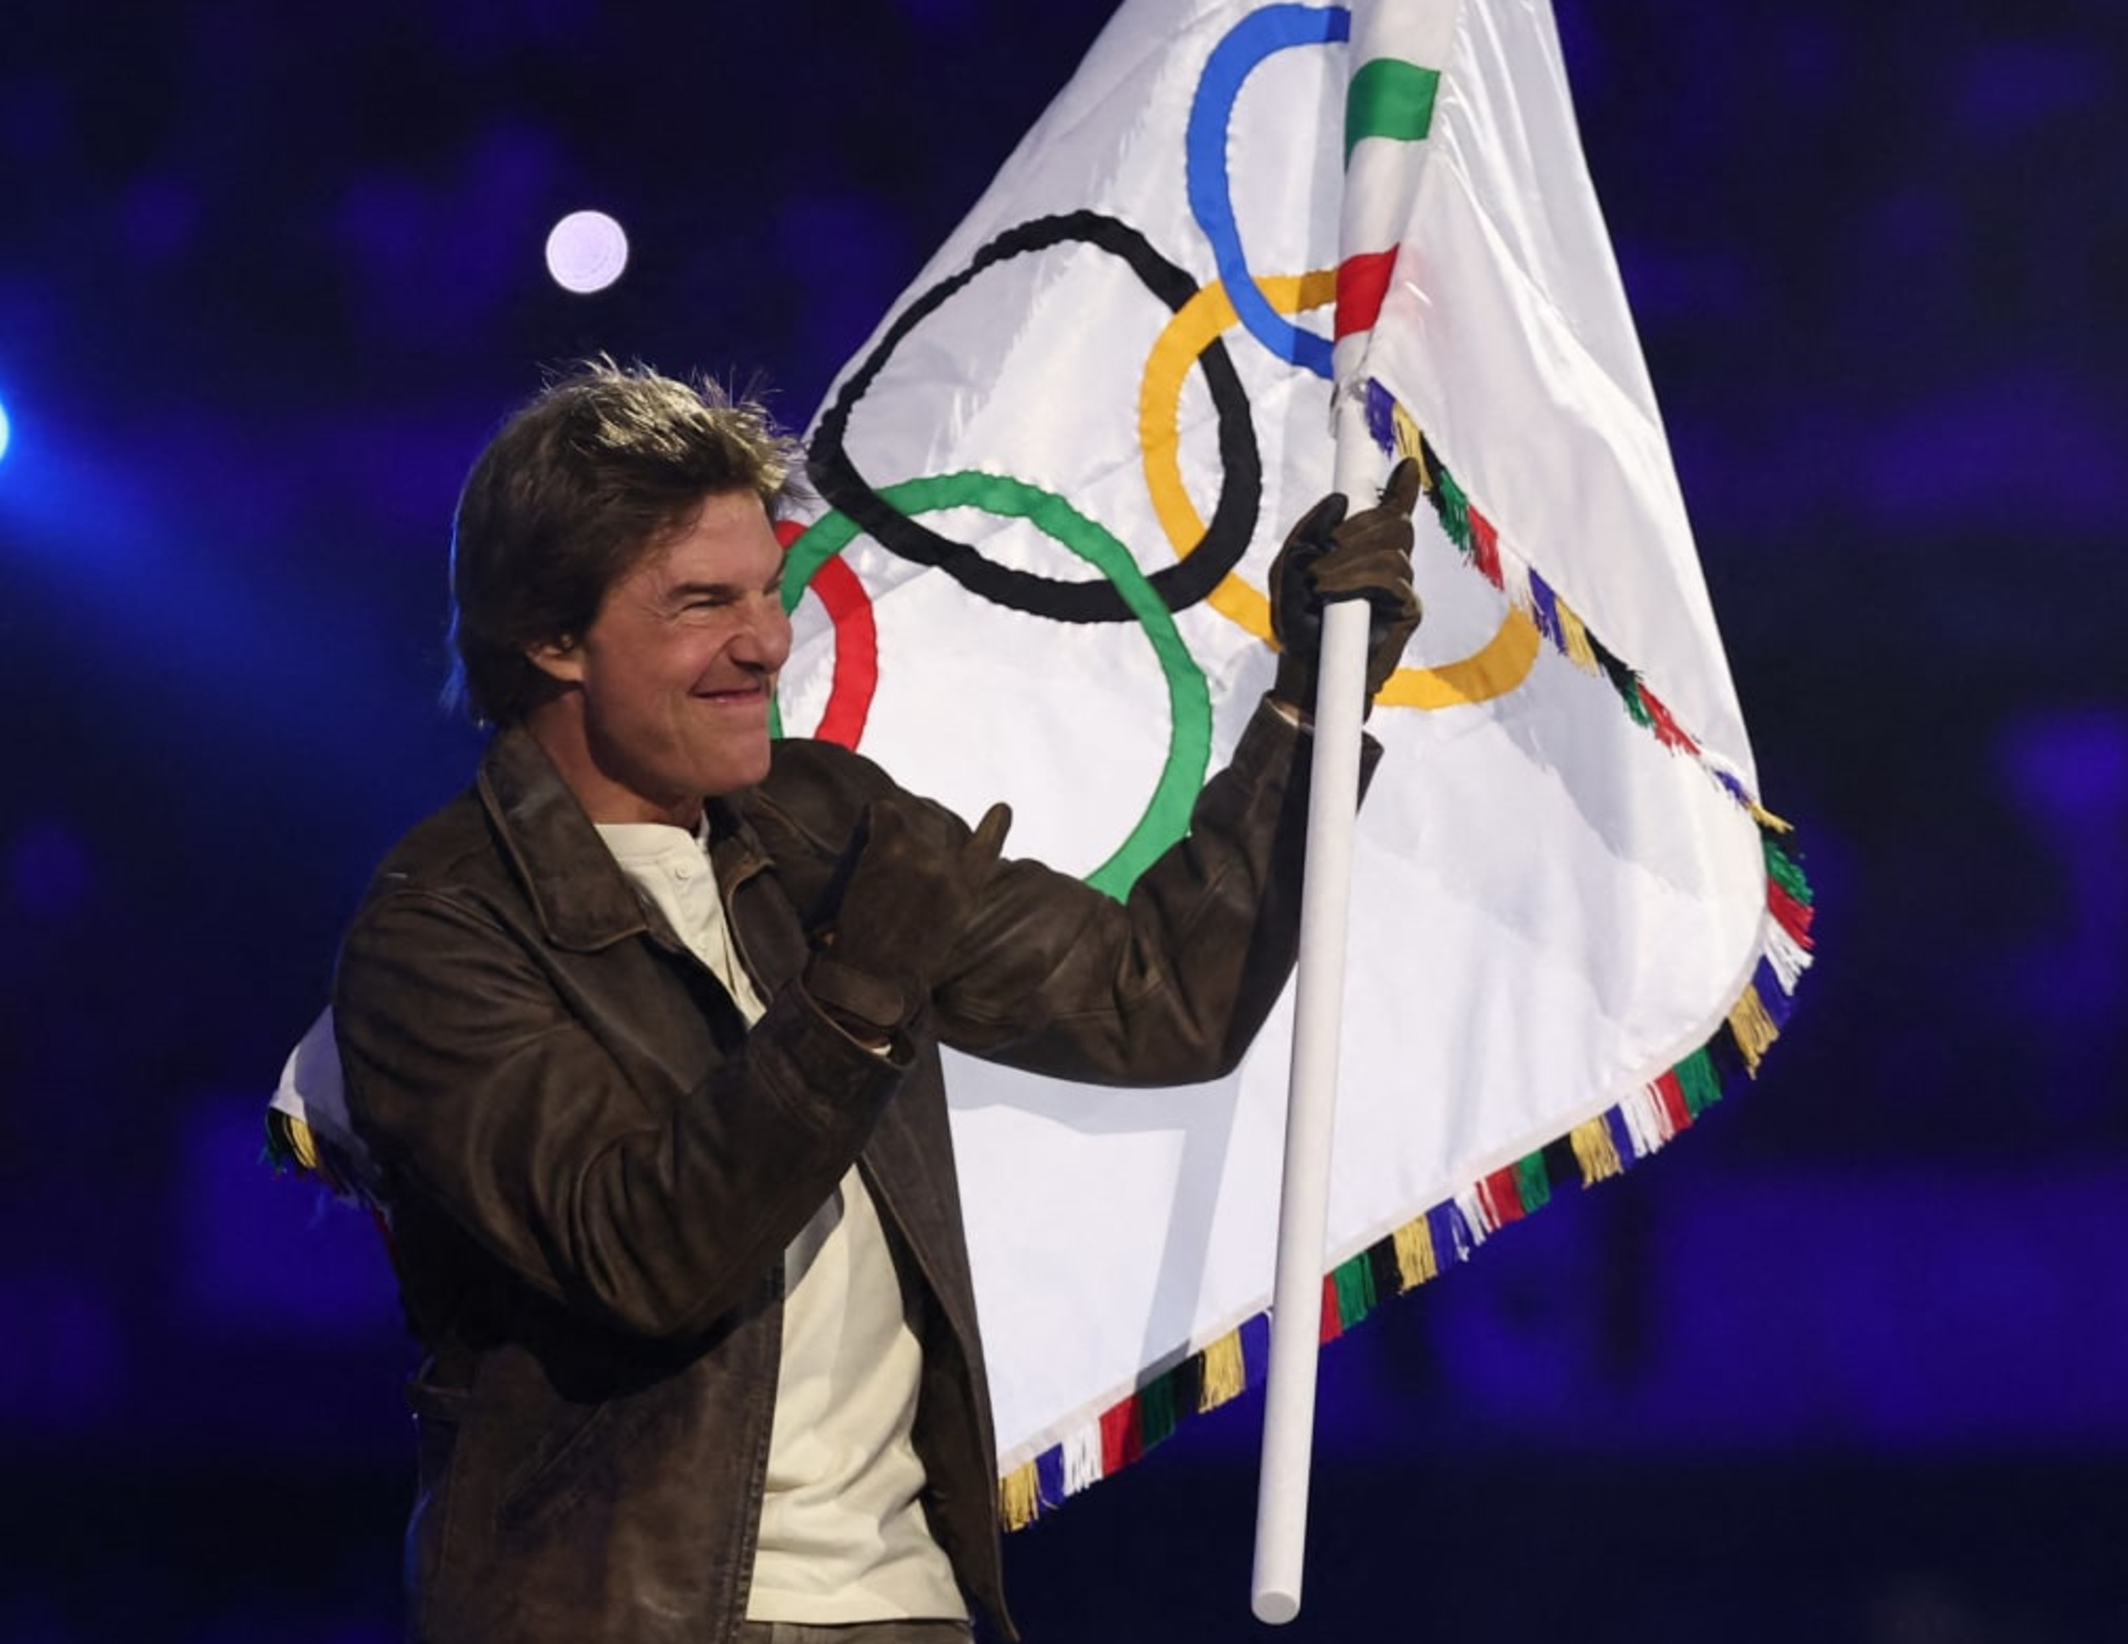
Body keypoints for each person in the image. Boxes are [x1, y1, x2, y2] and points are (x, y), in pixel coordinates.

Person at [331, 362, 1421, 1644]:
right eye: (700, 602)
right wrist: (848, 1001)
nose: (763, 639)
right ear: (550, 635)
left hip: (908, 1606)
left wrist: (1308, 695)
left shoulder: (824, 822)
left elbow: (1163, 999)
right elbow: (644, 1253)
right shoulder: (439, 928)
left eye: (764, 591)